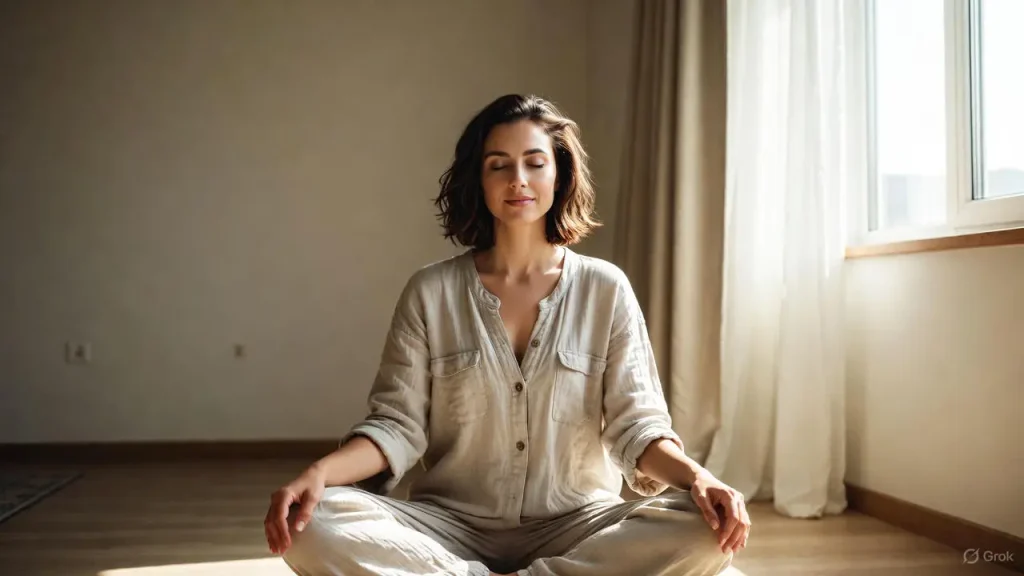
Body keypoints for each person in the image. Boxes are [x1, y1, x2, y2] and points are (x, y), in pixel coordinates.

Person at [264, 94, 749, 576]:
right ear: (479, 177)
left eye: (534, 163)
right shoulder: (430, 292)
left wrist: (701, 478)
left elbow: (637, 428)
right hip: (448, 528)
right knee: (312, 523)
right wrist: (318, 474)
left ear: (558, 174)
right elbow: (397, 426)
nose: (518, 180)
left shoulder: (606, 288)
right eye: (499, 165)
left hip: (580, 526)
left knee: (705, 528)